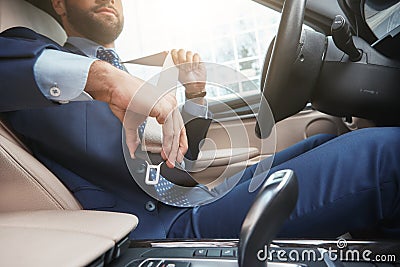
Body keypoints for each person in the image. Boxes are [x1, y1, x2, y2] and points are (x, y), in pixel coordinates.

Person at [1, 0, 400, 240]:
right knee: (385, 154)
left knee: (326, 139)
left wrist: (194, 95)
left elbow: (184, 156)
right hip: (167, 221)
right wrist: (103, 78)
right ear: (58, 3)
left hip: (197, 189)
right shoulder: (38, 59)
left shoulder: (129, 70)